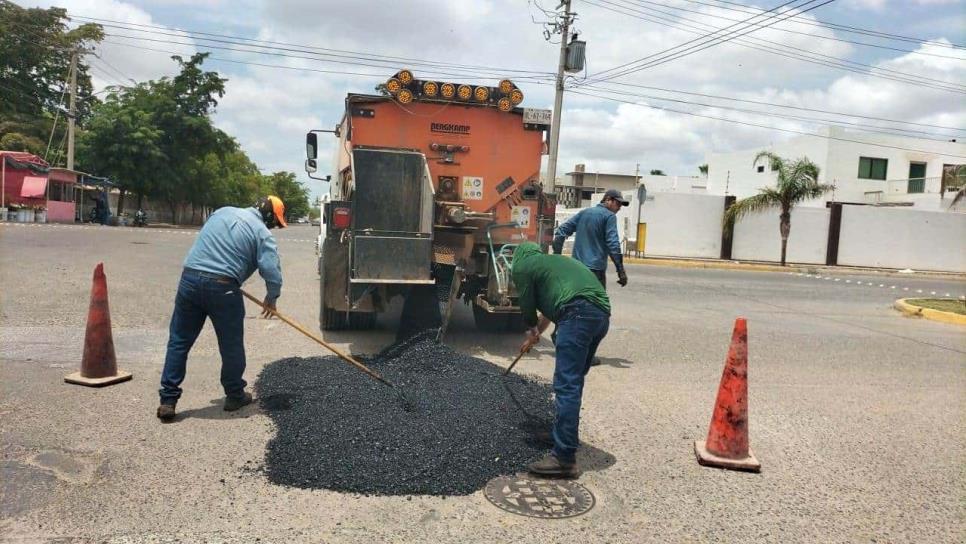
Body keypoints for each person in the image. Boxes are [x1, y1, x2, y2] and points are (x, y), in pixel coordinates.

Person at [156, 196, 287, 422]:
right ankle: (235, 395)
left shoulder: (221, 212)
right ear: (267, 216)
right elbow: (270, 270)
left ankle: (168, 400)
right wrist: (271, 297)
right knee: (231, 345)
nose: (271, 227)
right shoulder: (261, 233)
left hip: (190, 280)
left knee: (179, 340)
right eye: (273, 222)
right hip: (223, 289)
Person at [511, 242, 611, 478]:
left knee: (567, 385)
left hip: (576, 314)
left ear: (519, 257)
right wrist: (537, 334)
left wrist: (529, 327)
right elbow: (550, 309)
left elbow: (526, 305)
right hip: (600, 316)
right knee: (574, 382)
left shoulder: (523, 266)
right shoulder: (554, 263)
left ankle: (564, 458)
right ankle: (563, 433)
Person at [552, 188, 629, 289]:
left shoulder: (584, 213)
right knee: (598, 303)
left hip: (576, 268)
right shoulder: (610, 217)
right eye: (618, 204)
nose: (619, 208)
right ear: (608, 200)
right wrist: (621, 271)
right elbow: (613, 245)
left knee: (574, 300)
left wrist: (557, 257)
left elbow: (560, 232)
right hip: (595, 271)